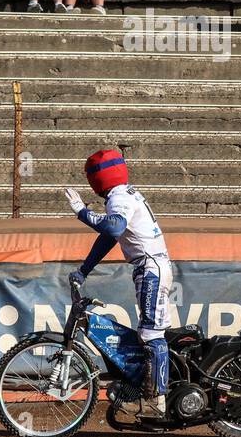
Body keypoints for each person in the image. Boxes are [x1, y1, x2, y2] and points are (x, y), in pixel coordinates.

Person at [64, 149, 172, 414]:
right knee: (147, 331)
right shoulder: (123, 194)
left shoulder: (120, 197)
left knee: (150, 333)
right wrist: (84, 269)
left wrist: (82, 212)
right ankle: (151, 392)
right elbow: (110, 237)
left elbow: (112, 227)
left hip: (151, 268)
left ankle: (155, 402)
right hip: (150, 267)